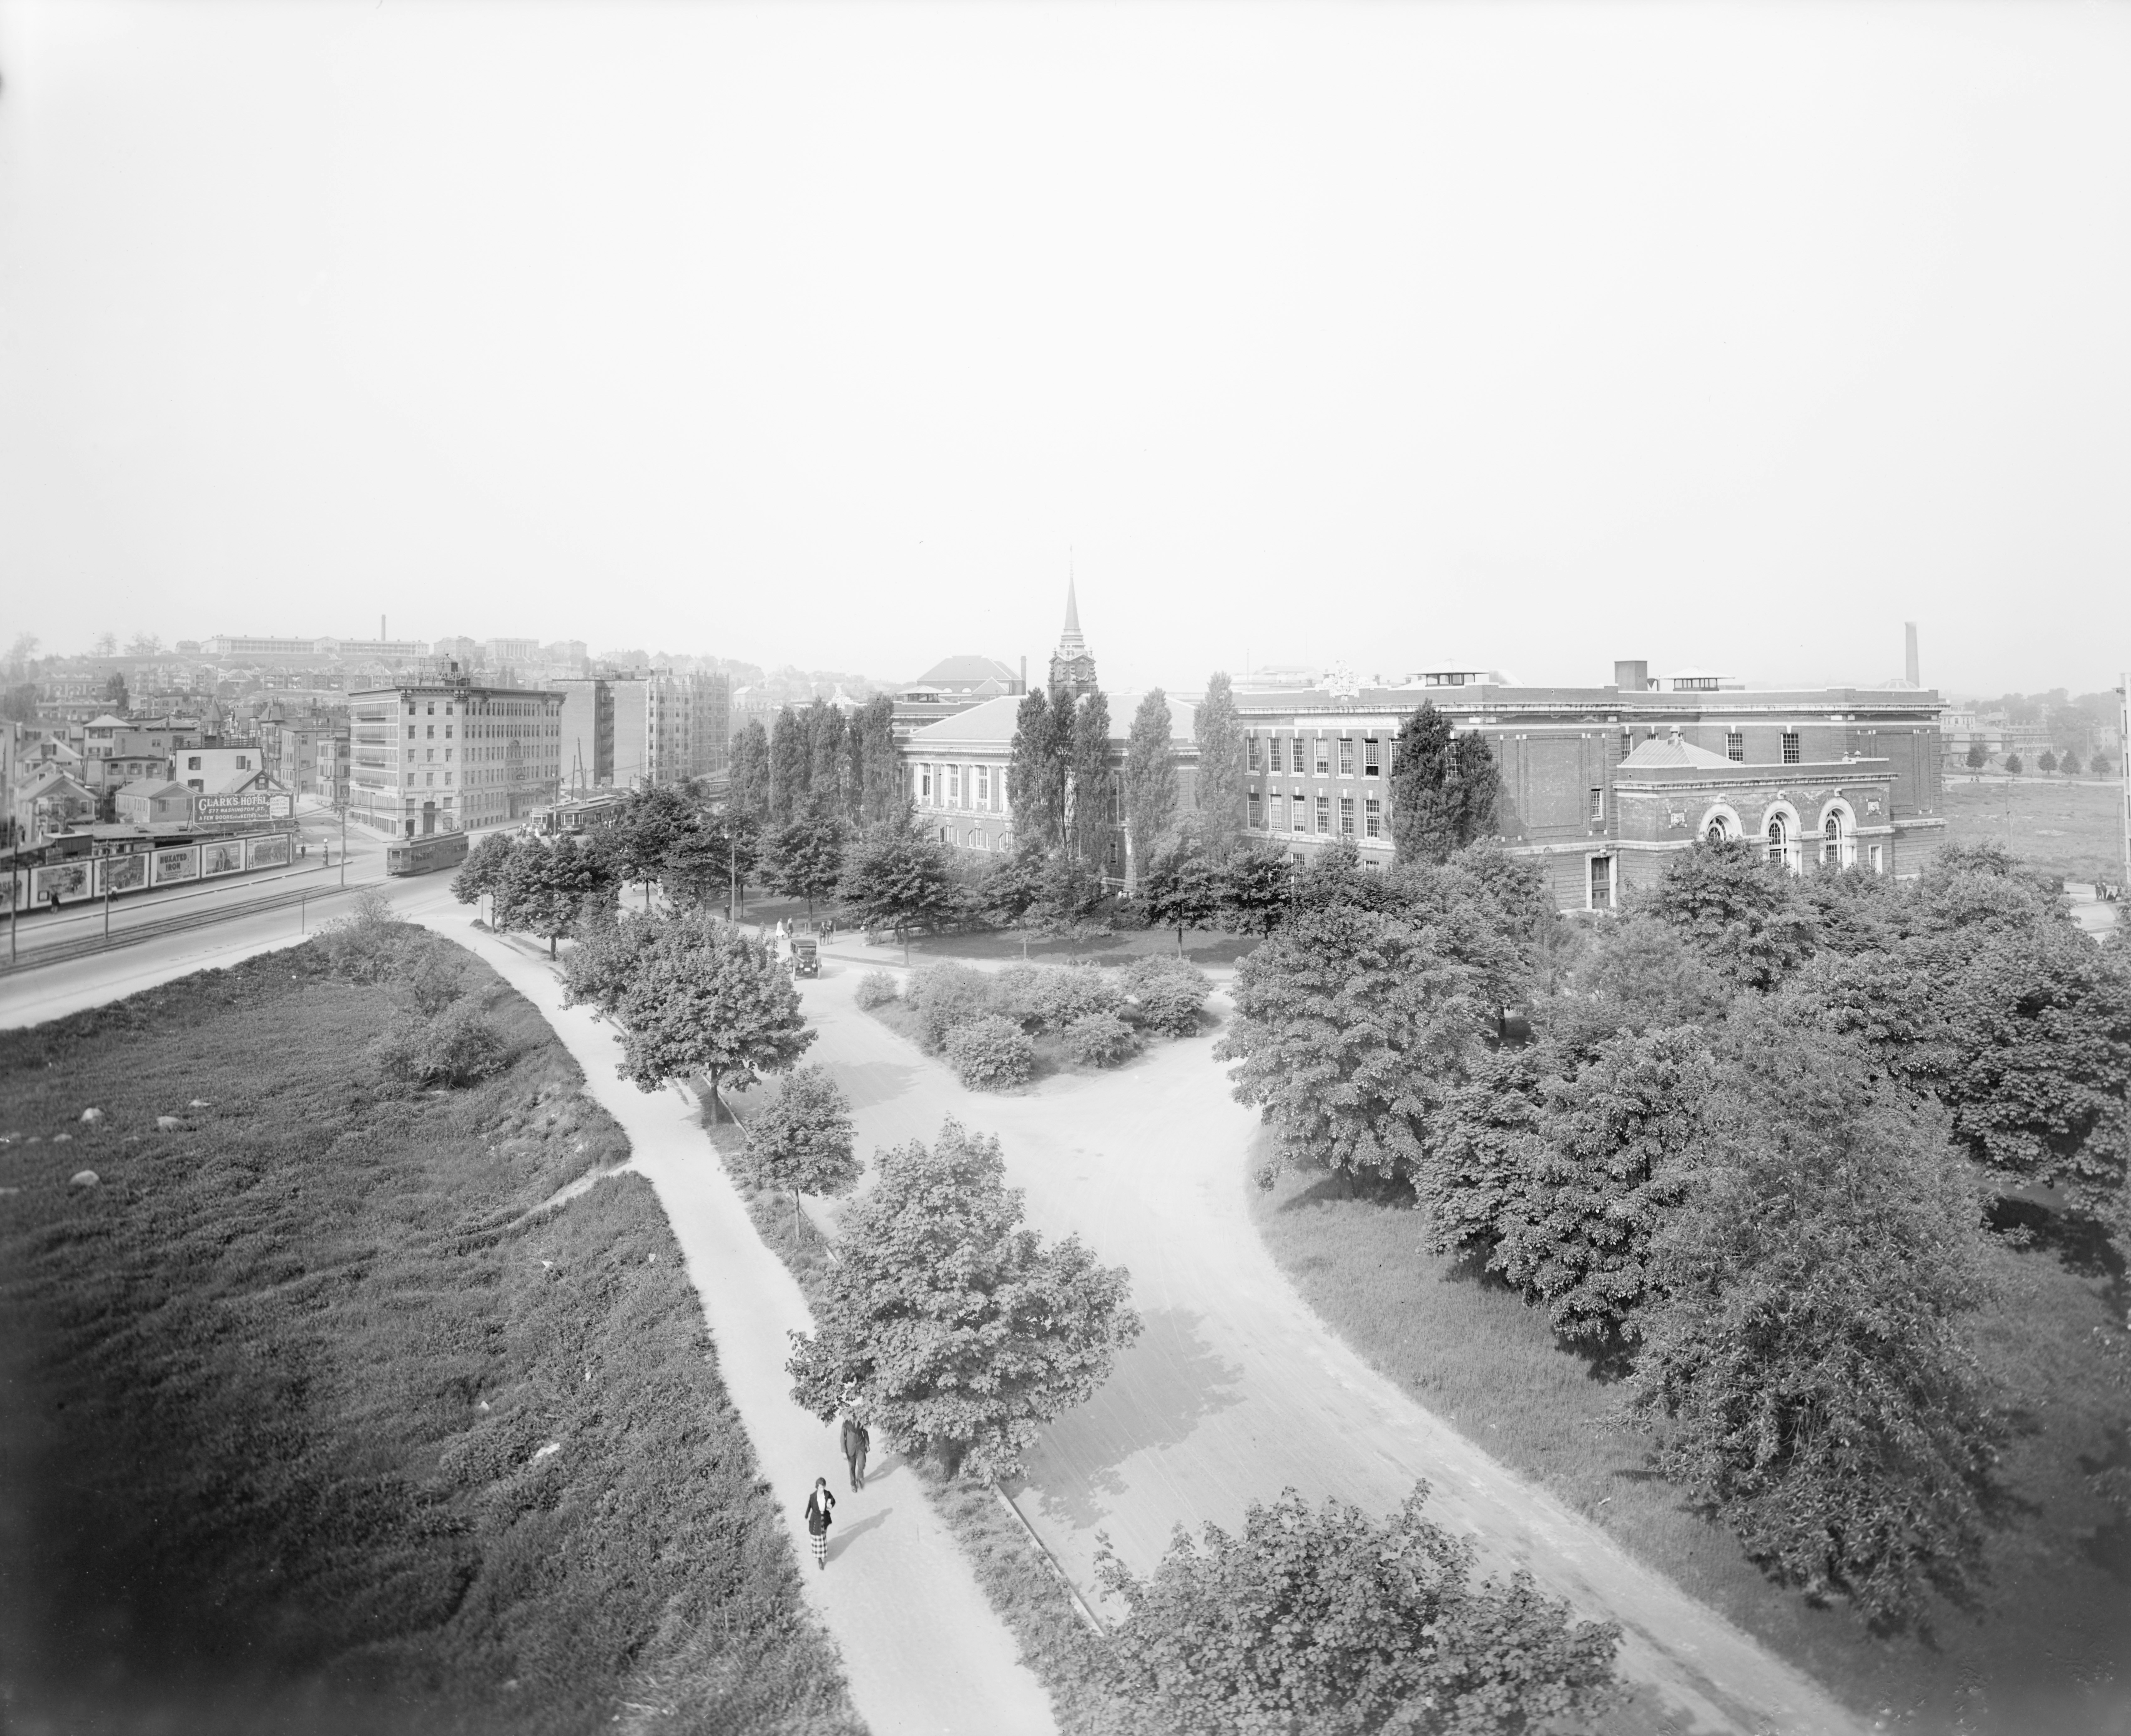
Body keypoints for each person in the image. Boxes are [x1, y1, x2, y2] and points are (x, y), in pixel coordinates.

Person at [804, 1477, 835, 1570]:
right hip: (816, 1519)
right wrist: (806, 1515)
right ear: (817, 1487)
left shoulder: (827, 1494)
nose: (822, 1489)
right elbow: (809, 1506)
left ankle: (823, 1553)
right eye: (820, 1487)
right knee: (817, 1537)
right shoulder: (813, 1496)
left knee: (823, 1536)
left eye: (823, 1487)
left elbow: (833, 1501)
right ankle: (820, 1560)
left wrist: (831, 1505)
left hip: (824, 1519)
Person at [841, 1415, 870, 1491]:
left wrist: (867, 1445)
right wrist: (844, 1451)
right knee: (852, 1468)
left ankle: (859, 1477)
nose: (855, 1417)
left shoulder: (862, 1421)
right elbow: (842, 1437)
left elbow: (865, 1432)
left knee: (862, 1464)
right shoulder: (846, 1423)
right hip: (850, 1449)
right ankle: (853, 1484)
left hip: (861, 1447)